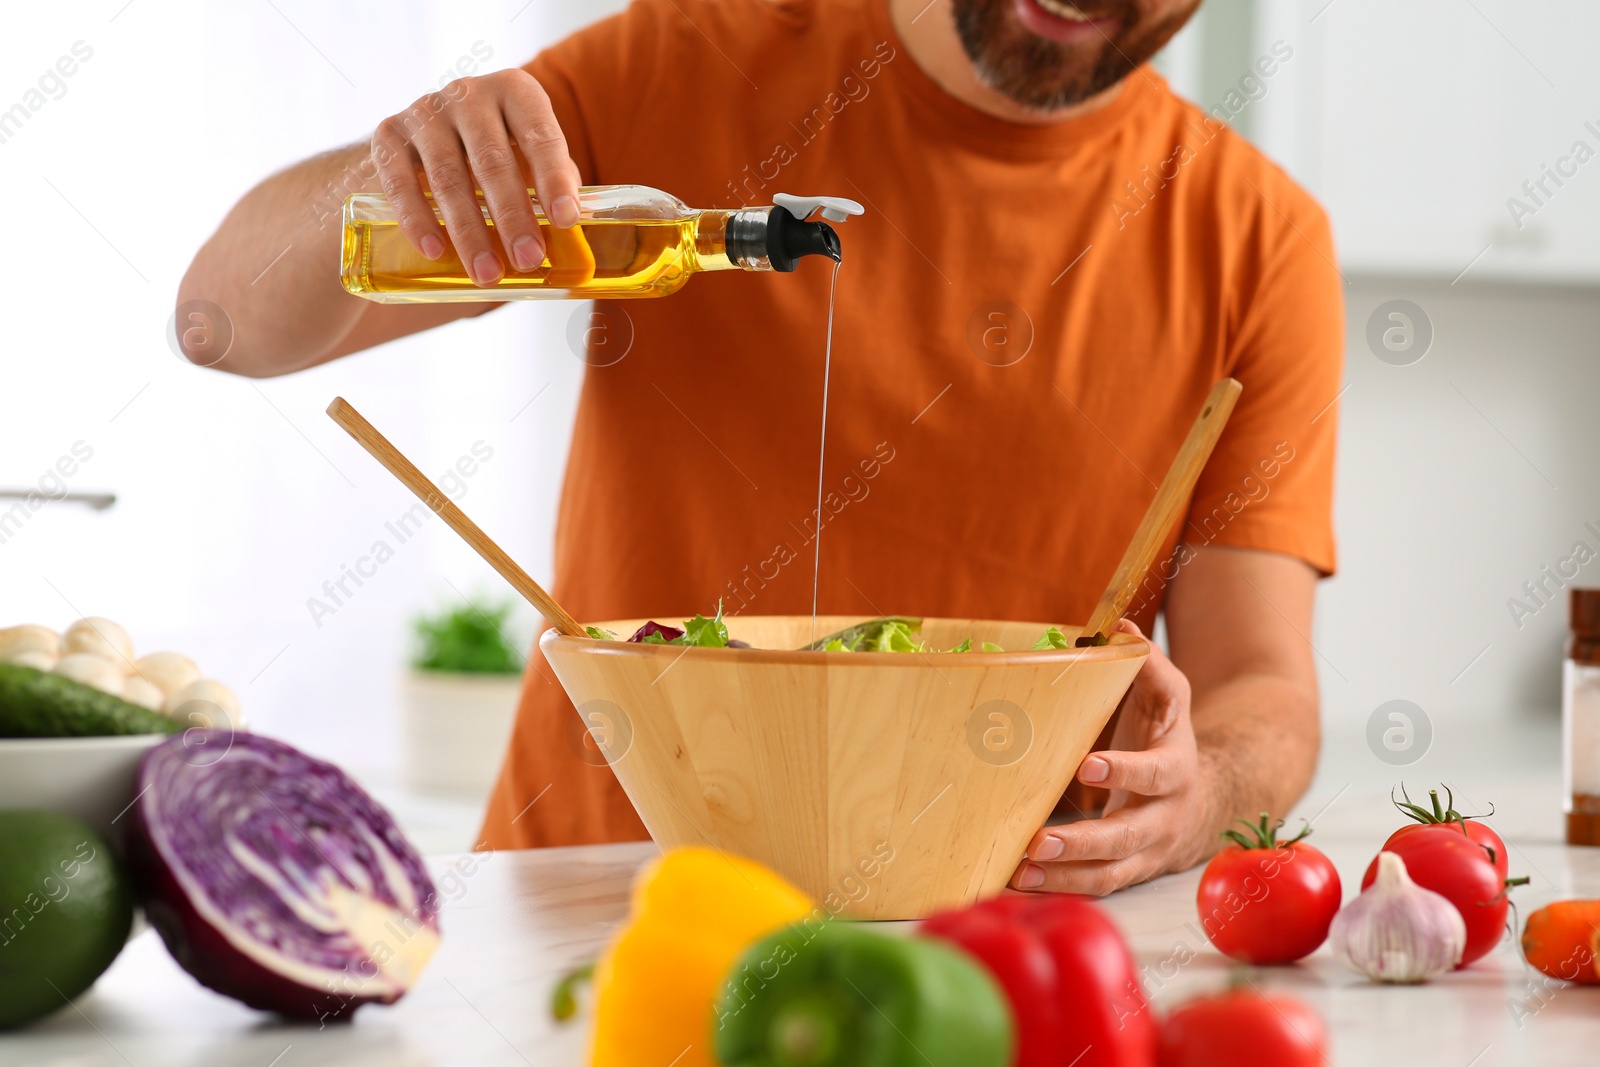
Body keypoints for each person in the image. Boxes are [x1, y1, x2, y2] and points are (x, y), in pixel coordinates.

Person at [178, 0, 1341, 895]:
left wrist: (1203, 796)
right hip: (590, 907)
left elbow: (1261, 686)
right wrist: (395, 178)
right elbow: (218, 320)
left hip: (980, 944)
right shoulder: (690, 58)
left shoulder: (1257, 237)